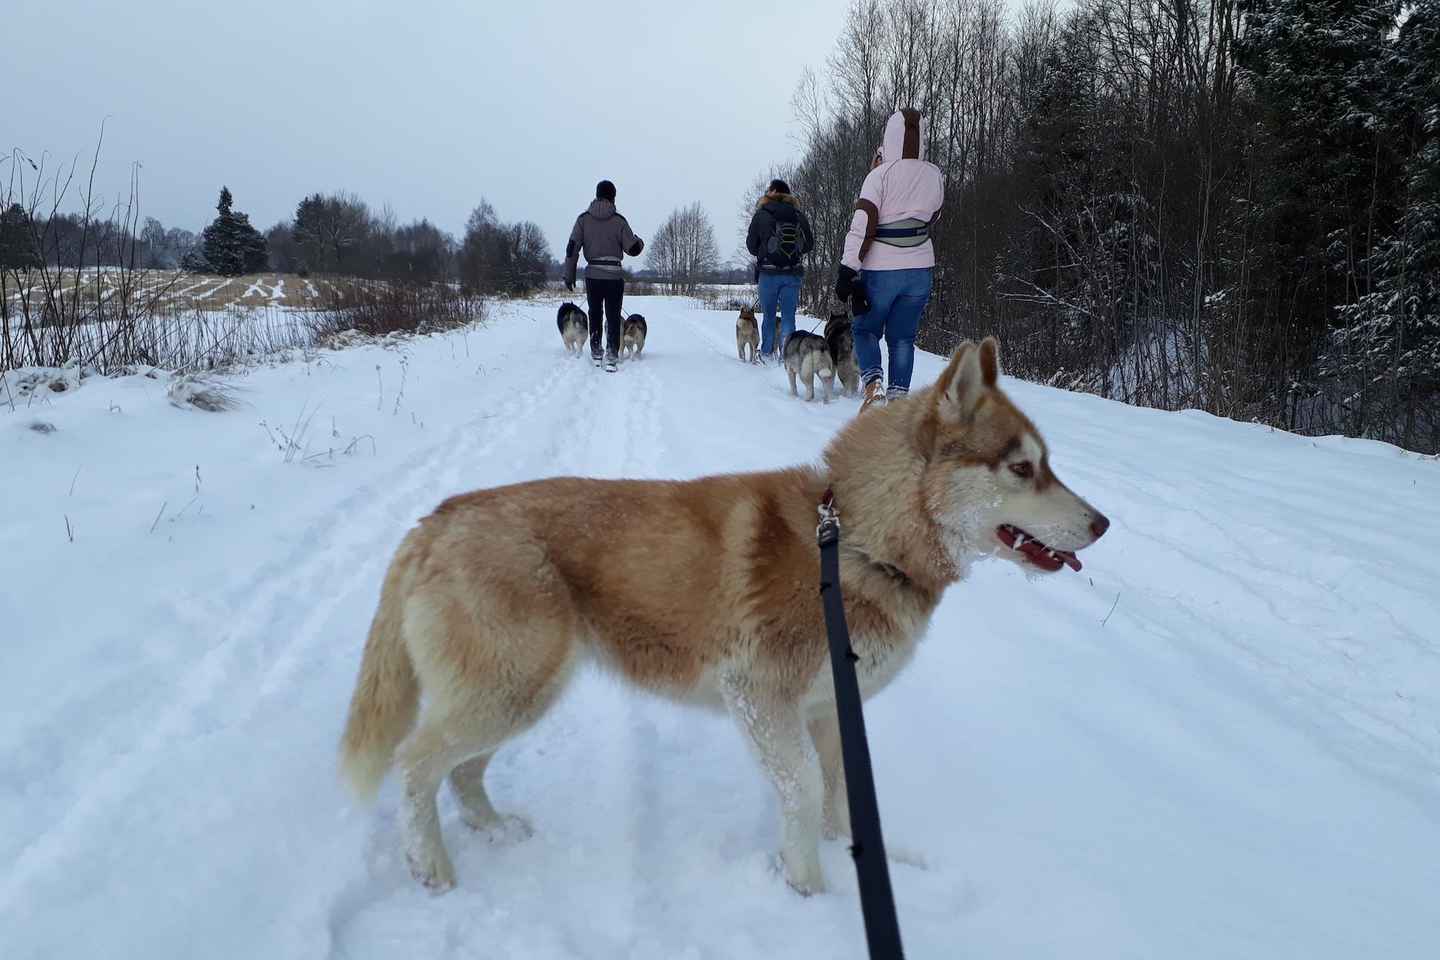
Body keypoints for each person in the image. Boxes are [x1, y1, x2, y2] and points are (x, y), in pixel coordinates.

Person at [834, 108, 944, 411]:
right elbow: (934, 215)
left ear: (888, 138)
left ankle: (874, 386)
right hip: (920, 267)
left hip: (882, 268)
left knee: (865, 329)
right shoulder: (934, 174)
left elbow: (863, 224)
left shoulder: (877, 176)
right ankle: (898, 400)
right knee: (903, 337)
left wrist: (847, 269)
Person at [564, 180, 644, 372]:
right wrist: (640, 242)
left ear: (597, 195)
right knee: (613, 316)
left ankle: (596, 350)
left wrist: (569, 275)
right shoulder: (619, 221)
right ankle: (612, 354)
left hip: (592, 276)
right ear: (613, 197)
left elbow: (572, 248)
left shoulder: (583, 220)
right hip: (614, 277)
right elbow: (632, 248)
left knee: (595, 313)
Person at [745, 179, 814, 362]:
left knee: (768, 316)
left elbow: (751, 246)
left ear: (773, 191)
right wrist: (794, 252)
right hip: (792, 274)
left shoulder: (762, 214)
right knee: (788, 317)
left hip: (768, 274)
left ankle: (767, 354)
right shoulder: (798, 215)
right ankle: (788, 357)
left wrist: (764, 250)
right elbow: (809, 244)